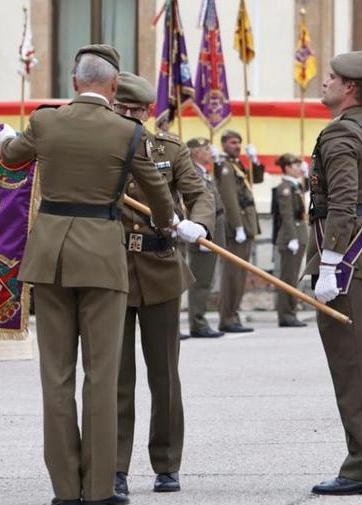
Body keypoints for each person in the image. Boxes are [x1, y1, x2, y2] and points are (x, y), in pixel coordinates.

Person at [0, 45, 175, 505]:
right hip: (102, 257)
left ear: (75, 82)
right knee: (101, 374)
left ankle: (63, 490)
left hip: (50, 256)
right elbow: (159, 196)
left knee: (56, 376)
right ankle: (98, 490)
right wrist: (170, 223)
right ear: (114, 88)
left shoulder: (46, 121)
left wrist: (4, 138)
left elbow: (11, 157)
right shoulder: (127, 132)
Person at [111, 72, 214, 497]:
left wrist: (198, 223)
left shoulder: (168, 149)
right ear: (113, 107)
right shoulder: (101, 147)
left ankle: (167, 463)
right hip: (112, 267)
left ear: (149, 113)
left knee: (164, 375)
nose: (131, 117)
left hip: (160, 265)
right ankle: (114, 467)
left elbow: (200, 192)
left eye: (137, 111)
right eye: (123, 110)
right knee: (115, 376)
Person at [305, 51, 362, 496]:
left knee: (354, 372)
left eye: (333, 77)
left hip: (348, 267)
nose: (325, 81)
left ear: (350, 89)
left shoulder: (341, 133)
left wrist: (331, 264)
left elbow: (341, 206)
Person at [214, 130, 264, 333]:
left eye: (239, 143)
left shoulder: (237, 164)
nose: (237, 146)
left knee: (240, 274)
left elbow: (257, 179)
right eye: (233, 142)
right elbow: (230, 199)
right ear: (224, 144)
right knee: (233, 275)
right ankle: (227, 318)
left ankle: (233, 315)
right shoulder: (225, 167)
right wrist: (238, 226)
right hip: (238, 226)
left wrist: (255, 160)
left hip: (247, 224)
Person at [185, 137, 225, 339]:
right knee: (200, 280)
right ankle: (198, 323)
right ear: (195, 152)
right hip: (203, 229)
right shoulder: (191, 172)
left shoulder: (203, 171)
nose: (210, 152)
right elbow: (192, 203)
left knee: (206, 278)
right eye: (206, 149)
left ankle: (200, 320)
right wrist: (201, 230)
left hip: (213, 226)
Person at [271, 153, 309, 328]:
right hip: (290, 238)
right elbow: (286, 216)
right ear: (286, 167)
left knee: (293, 277)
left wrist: (308, 175)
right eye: (296, 165)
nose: (299, 168)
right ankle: (286, 315)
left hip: (299, 235)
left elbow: (306, 190)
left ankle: (290, 313)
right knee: (288, 278)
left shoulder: (295, 185)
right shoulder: (285, 188)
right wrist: (292, 237)